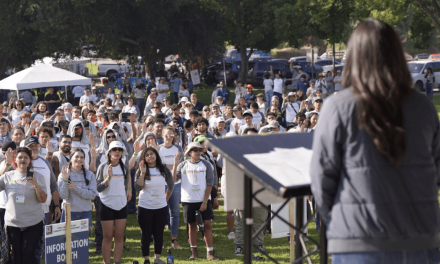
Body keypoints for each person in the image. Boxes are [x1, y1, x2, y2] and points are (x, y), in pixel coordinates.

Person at [310, 18, 440, 264]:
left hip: (360, 239)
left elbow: (321, 180)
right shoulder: (423, 106)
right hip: (419, 238)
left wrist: (340, 222)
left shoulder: (338, 107)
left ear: (355, 57)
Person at [0, 147, 47, 264]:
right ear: (15, 160)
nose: (22, 159)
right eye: (20, 157)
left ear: (30, 160)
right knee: (16, 255)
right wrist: (6, 164)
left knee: (28, 255)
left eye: (26, 157)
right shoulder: (7, 176)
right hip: (13, 223)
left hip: (33, 222)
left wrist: (36, 185)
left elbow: (43, 199)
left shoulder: (38, 176)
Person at [176, 142, 219, 260]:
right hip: (188, 201)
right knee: (192, 226)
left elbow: (210, 184)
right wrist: (175, 165)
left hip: (203, 200)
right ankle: (193, 252)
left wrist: (205, 202)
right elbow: (174, 180)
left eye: (199, 149)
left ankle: (210, 252)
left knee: (207, 225)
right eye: (195, 150)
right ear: (189, 152)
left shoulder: (207, 164)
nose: (197, 152)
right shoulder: (182, 165)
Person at [135, 147, 177, 264]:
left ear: (156, 155)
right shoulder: (141, 170)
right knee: (146, 235)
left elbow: (171, 185)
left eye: (152, 154)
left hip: (161, 208)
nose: (150, 156)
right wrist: (143, 173)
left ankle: (157, 258)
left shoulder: (163, 169)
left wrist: (165, 199)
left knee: (159, 234)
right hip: (145, 208)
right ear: (144, 158)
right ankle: (146, 259)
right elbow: (137, 188)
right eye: (147, 155)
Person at [96, 141, 131, 264]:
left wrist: (128, 193)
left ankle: (117, 262)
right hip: (106, 205)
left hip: (121, 205)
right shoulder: (102, 167)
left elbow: (126, 186)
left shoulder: (125, 168)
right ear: (109, 152)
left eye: (119, 149)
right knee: (107, 236)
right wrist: (108, 179)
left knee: (120, 236)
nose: (117, 151)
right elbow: (98, 188)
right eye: (114, 149)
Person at [159, 127, 184, 249]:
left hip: (176, 184)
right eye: (166, 135)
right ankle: (160, 241)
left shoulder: (178, 148)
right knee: (160, 213)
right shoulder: (159, 149)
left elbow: (181, 164)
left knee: (174, 213)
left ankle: (174, 240)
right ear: (162, 136)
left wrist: (168, 165)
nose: (169, 138)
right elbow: (158, 166)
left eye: (171, 136)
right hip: (161, 185)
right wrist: (173, 164)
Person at [58, 148, 97, 226]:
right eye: (76, 156)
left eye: (82, 157)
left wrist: (76, 188)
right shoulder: (64, 174)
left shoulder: (90, 175)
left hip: (85, 212)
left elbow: (92, 195)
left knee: (83, 238)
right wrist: (65, 180)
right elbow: (63, 196)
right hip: (69, 213)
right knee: (67, 238)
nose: (79, 159)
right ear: (71, 159)